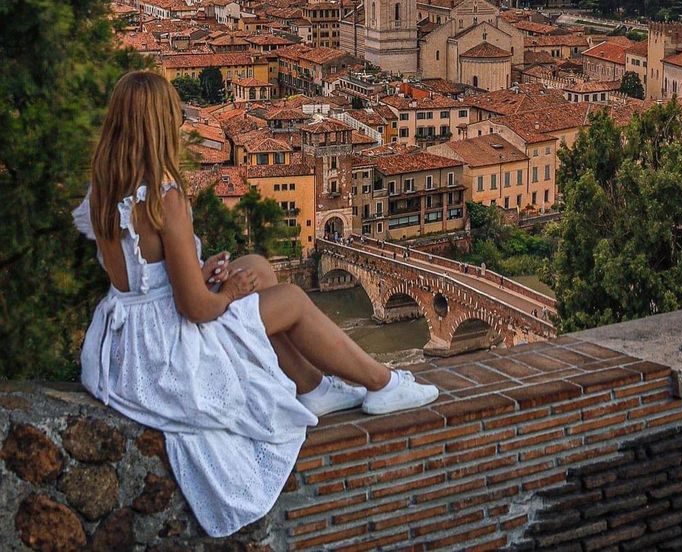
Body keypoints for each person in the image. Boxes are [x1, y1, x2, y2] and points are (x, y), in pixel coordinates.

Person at [72, 71, 438, 538]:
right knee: (290, 298)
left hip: (128, 337)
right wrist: (228, 293)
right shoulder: (165, 199)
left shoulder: (103, 190)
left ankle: (311, 387)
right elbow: (196, 310)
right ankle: (382, 384)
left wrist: (212, 276)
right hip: (168, 349)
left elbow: (140, 276)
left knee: (258, 266)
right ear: (161, 125)